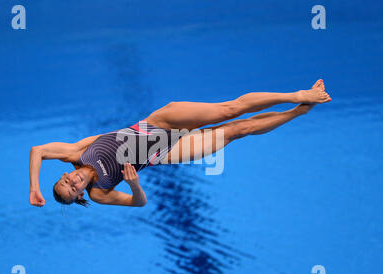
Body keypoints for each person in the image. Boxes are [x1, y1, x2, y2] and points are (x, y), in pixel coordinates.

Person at [29, 79, 331, 208]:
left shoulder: (76, 154)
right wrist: (134, 185)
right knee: (236, 131)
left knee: (229, 109)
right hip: (166, 152)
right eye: (72, 191)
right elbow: (138, 203)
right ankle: (298, 112)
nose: (72, 182)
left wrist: (35, 189)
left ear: (64, 174)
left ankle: (298, 95)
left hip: (158, 124)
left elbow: (38, 150)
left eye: (65, 182)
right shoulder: (99, 192)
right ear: (80, 194)